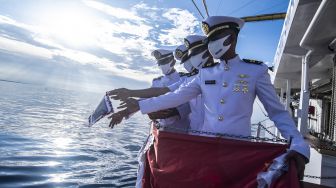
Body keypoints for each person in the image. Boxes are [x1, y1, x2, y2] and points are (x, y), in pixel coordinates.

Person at [112, 16, 310, 180]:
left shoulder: (255, 71)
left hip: (237, 151)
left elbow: (277, 112)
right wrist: (138, 105)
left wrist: (299, 145)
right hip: (204, 149)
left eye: (214, 38)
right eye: (208, 40)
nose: (210, 45)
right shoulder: (205, 73)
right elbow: (176, 96)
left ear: (230, 38)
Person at [108, 35, 215, 131]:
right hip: (163, 130)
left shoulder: (184, 78)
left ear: (173, 62)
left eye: (164, 62)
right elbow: (155, 95)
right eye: (160, 63)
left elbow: (180, 100)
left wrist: (174, 112)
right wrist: (124, 110)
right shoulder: (166, 81)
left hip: (182, 129)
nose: (161, 65)